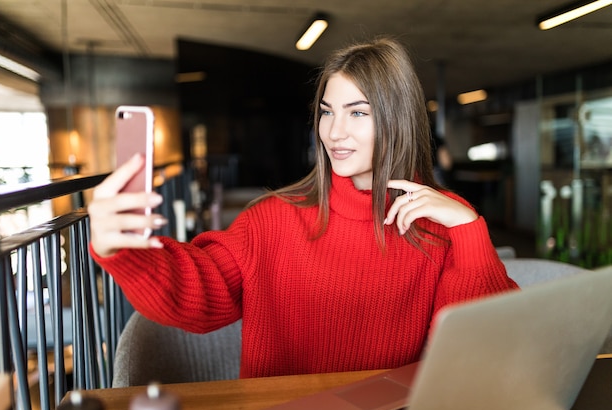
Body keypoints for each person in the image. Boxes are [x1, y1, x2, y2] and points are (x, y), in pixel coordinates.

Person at [88, 37, 518, 379]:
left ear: (397, 119)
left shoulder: (445, 219)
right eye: (327, 112)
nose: (334, 132)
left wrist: (469, 227)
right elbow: (198, 293)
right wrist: (126, 250)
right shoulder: (272, 218)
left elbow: (489, 347)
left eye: (357, 112)